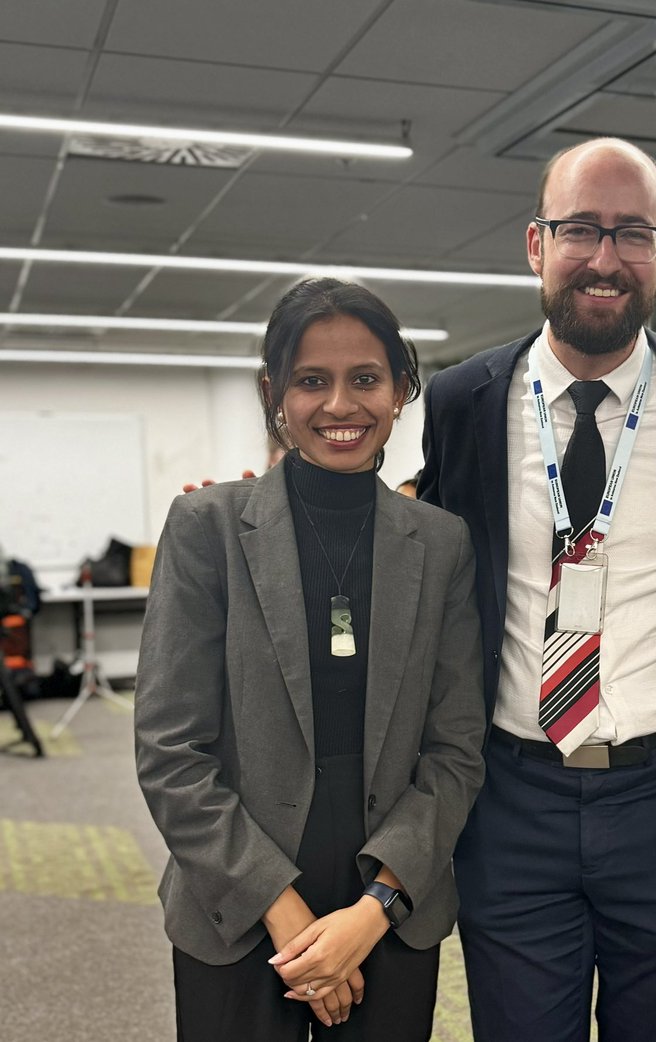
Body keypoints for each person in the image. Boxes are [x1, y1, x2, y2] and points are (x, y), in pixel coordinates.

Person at [419, 136, 656, 1041]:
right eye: (580, 230)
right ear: (536, 245)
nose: (605, 259)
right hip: (511, 799)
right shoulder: (462, 401)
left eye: (632, 234)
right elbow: (434, 574)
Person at [135, 278, 486, 1041]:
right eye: (311, 381)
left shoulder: (441, 543)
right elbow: (171, 752)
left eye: (365, 379)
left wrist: (371, 913)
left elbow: (456, 751)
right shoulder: (208, 529)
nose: (340, 406)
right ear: (275, 393)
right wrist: (288, 917)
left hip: (387, 910)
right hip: (234, 907)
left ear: (400, 391)